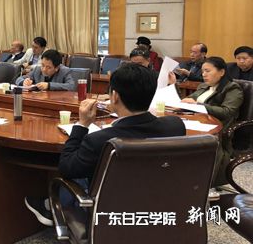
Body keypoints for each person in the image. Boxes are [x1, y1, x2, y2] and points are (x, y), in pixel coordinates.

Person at [24, 63, 186, 226]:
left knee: (78, 177)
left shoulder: (99, 140)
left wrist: (82, 125)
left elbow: (67, 167)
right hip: (159, 205)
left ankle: (55, 208)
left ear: (114, 96)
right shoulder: (175, 125)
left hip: (110, 212)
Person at [182, 56, 244, 186]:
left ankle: (201, 184)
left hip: (217, 129)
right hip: (198, 124)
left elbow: (227, 111)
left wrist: (199, 105)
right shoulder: (204, 86)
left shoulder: (232, 88)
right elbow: (188, 101)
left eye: (207, 71)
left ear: (221, 72)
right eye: (202, 71)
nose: (203, 74)